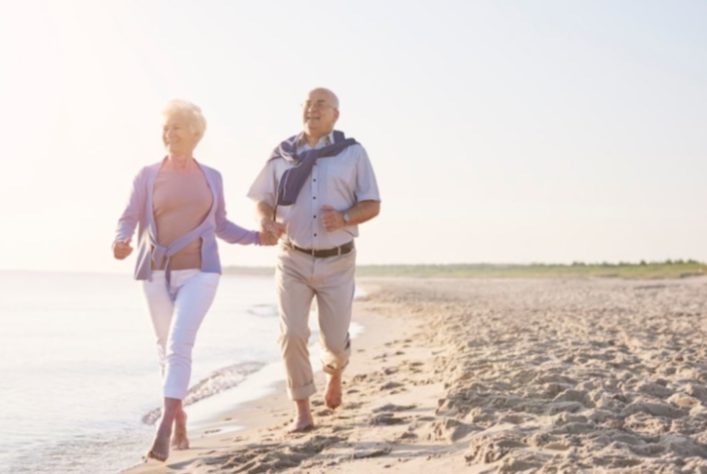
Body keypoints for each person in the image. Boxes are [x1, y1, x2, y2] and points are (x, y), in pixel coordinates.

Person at [113, 100, 276, 461]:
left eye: (176, 128)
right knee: (163, 347)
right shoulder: (147, 175)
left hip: (201, 272)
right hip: (154, 271)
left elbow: (220, 225)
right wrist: (121, 240)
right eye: (166, 128)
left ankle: (164, 427)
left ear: (195, 134)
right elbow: (128, 217)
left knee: (178, 345)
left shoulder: (211, 177)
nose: (169, 134)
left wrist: (256, 237)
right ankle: (180, 414)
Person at [248, 87, 381, 432]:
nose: (313, 108)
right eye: (308, 103)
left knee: (334, 342)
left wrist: (345, 217)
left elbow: (372, 204)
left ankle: (335, 373)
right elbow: (262, 198)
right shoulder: (283, 153)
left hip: (337, 261)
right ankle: (303, 412)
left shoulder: (352, 153)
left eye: (321, 104)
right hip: (292, 258)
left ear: (336, 114)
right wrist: (264, 220)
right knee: (291, 333)